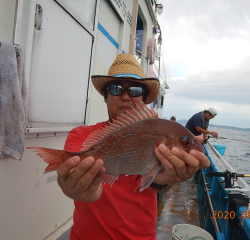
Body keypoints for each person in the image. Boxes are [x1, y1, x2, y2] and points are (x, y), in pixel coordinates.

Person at [57, 53, 210, 240]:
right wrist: (75, 187)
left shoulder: (161, 136)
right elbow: (71, 177)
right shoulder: (81, 136)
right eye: (116, 88)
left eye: (136, 90)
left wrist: (168, 180)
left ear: (144, 99)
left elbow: (154, 183)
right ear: (105, 97)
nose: (126, 96)